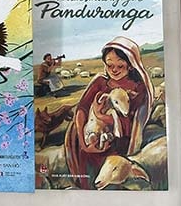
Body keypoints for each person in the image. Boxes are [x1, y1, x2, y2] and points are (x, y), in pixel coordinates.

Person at [64, 36, 154, 189]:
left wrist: (102, 117)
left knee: (111, 180)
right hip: (88, 142)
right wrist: (83, 143)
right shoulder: (100, 82)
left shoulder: (138, 89)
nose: (114, 70)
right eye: (110, 65)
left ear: (130, 65)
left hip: (116, 147)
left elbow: (132, 122)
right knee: (88, 181)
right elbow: (82, 109)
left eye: (120, 65)